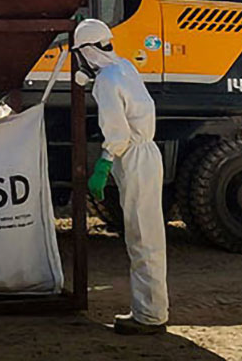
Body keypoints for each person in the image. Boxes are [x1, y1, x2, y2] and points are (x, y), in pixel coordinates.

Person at [73, 19, 169, 335]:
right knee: (150, 234)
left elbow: (117, 133)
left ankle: (149, 316)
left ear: (87, 52)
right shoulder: (124, 67)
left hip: (133, 157)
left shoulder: (106, 81)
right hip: (149, 153)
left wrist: (102, 166)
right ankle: (153, 310)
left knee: (142, 237)